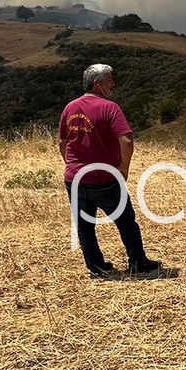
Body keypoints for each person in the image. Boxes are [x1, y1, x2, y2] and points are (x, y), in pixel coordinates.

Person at [60, 63, 160, 277]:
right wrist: (123, 168)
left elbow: (62, 141)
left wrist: (71, 166)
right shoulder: (109, 107)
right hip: (103, 177)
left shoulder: (70, 107)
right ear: (97, 84)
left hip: (75, 179)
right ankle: (138, 262)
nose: (113, 84)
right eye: (110, 80)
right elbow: (126, 139)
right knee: (125, 221)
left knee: (84, 225)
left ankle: (95, 267)